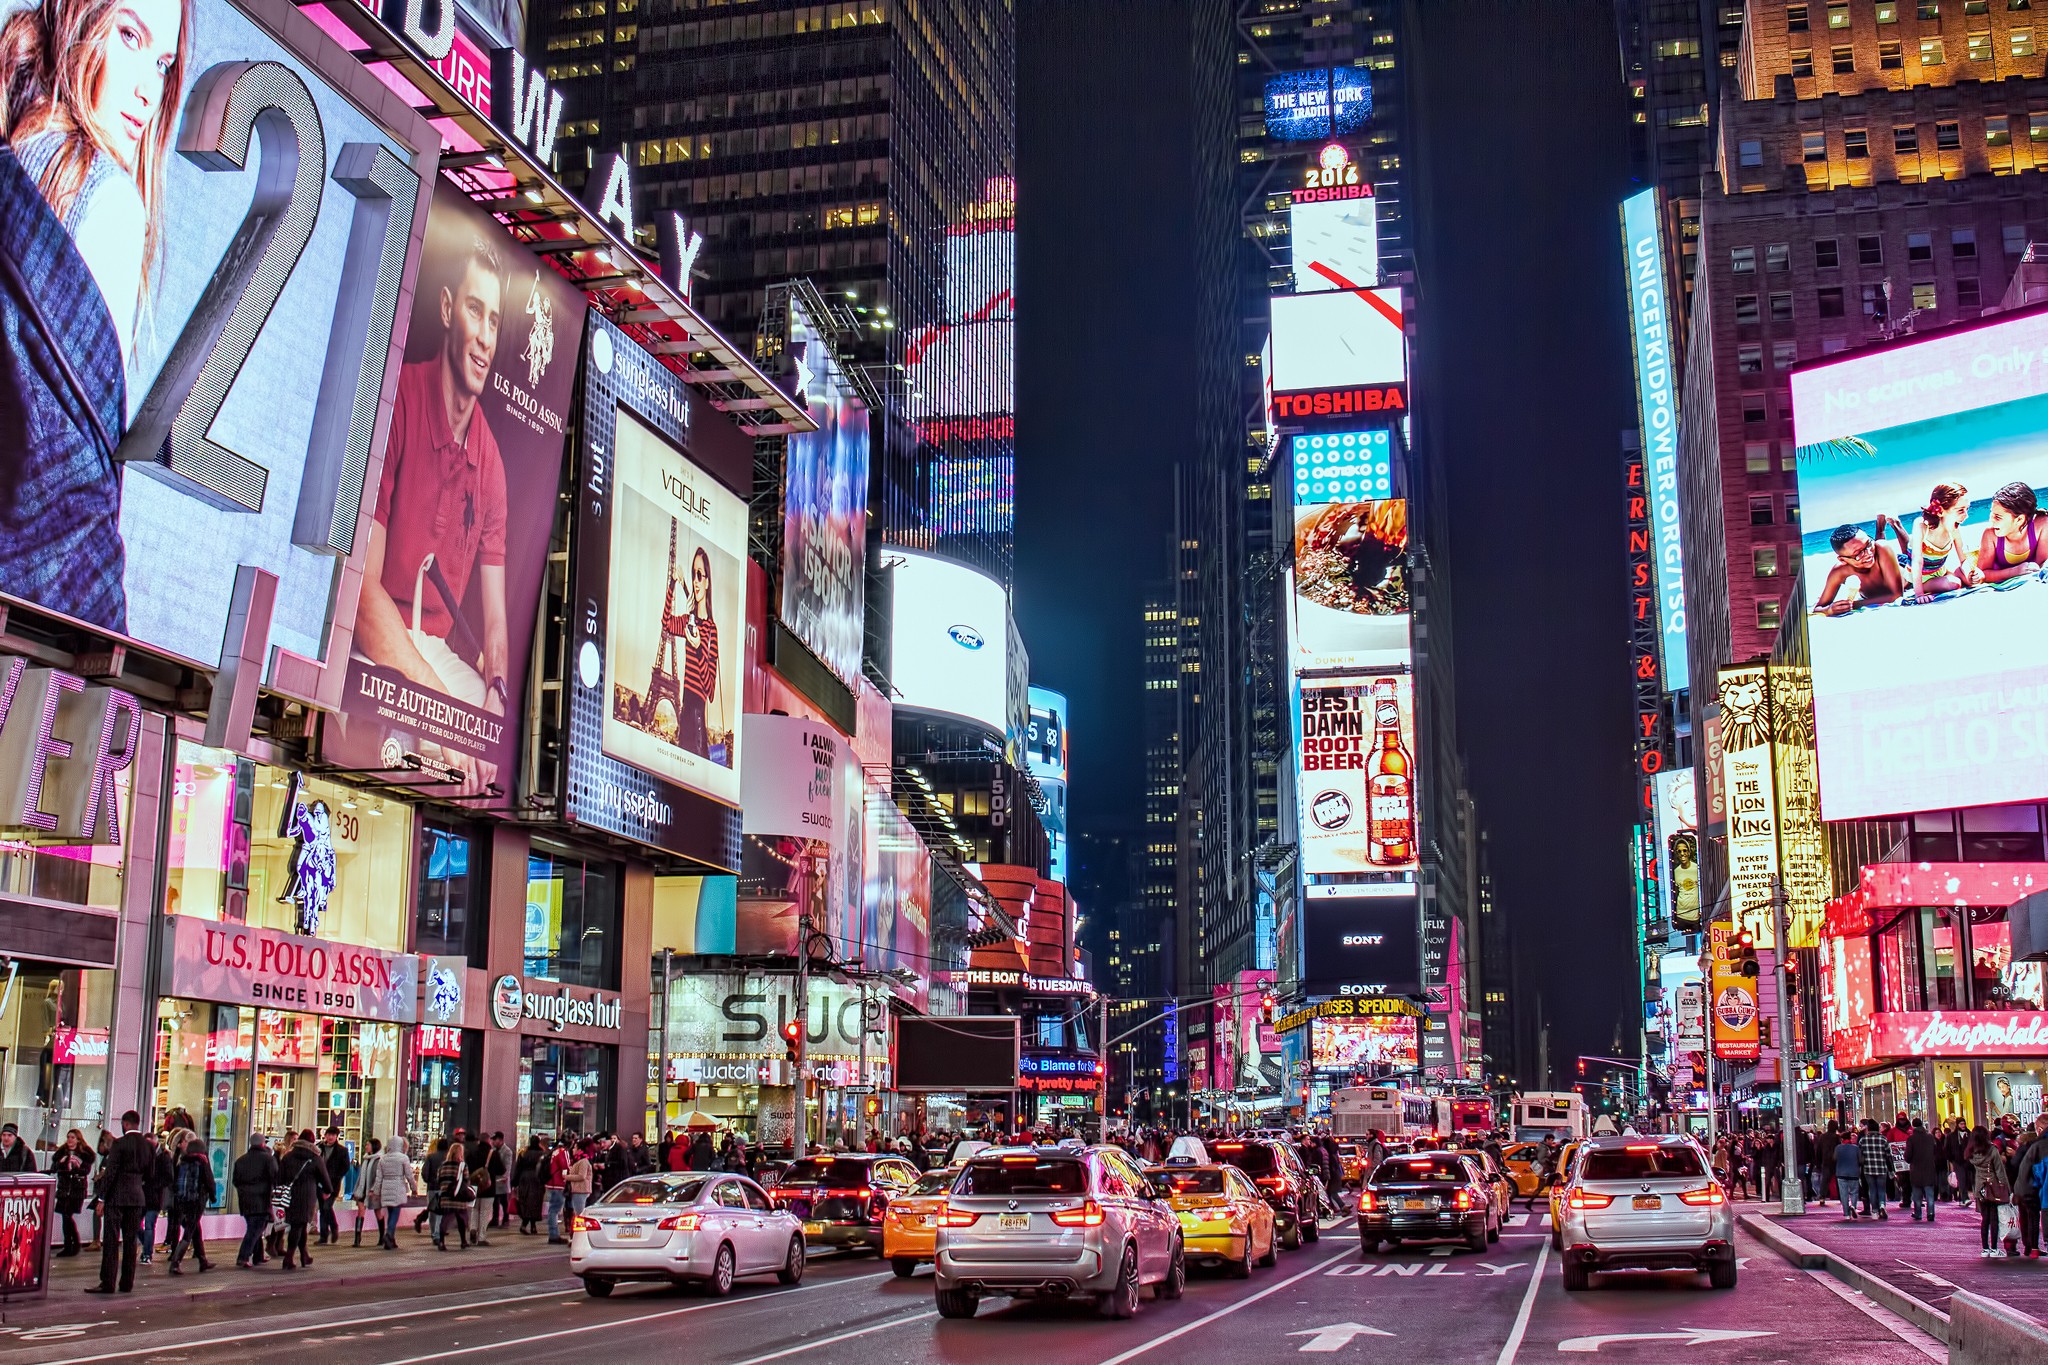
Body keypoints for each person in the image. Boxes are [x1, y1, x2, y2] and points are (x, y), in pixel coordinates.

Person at [0, 0, 189, 633]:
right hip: (33, 618)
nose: (149, 90)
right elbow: (69, 482)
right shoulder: (107, 198)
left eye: (162, 63)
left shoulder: (10, 163)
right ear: (79, 23)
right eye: (128, 36)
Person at [352, 233, 515, 790]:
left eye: (495, 321)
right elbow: (360, 595)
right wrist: (439, 705)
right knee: (438, 729)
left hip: (434, 649)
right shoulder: (399, 398)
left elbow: (495, 627)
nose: (485, 337)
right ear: (448, 310)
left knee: (490, 756)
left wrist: (493, 695)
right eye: (475, 310)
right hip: (375, 631)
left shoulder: (491, 463)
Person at [87, 1109, 147, 1294]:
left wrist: (102, 1198)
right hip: (137, 1197)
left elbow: (111, 1173)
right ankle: (127, 1282)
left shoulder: (119, 1144)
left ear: (125, 1124)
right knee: (131, 1241)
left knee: (112, 1240)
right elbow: (151, 1174)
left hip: (117, 1197)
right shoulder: (147, 1145)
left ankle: (108, 1282)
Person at [672, 547, 721, 757]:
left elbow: (710, 691)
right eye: (693, 574)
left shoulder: (711, 631)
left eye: (700, 575)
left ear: (708, 582)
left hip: (697, 723)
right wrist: (673, 584)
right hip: (684, 720)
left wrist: (699, 647)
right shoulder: (688, 622)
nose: (695, 580)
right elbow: (666, 623)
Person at [1895, 484, 1978, 599]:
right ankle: (1894, 524)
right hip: (1919, 575)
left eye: (1967, 509)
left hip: (1939, 571)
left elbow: (1963, 559)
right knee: (1955, 584)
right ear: (1940, 511)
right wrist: (1919, 594)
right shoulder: (1922, 526)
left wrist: (1971, 574)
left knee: (1975, 577)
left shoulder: (1954, 530)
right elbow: (1917, 561)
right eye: (1960, 510)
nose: (1966, 515)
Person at [1814, 521, 1907, 615]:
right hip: (1882, 560)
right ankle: (1880, 526)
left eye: (1869, 543)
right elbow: (1818, 608)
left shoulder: (1881, 548)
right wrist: (1829, 609)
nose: (1868, 553)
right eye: (1858, 553)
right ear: (1843, 560)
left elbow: (1896, 595)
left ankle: (1893, 524)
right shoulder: (1840, 571)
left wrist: (1854, 605)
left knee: (1907, 553)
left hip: (1904, 565)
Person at [275, 1128, 330, 1270]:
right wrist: (328, 1190)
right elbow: (324, 1178)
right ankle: (289, 1258)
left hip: (290, 1196)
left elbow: (279, 1177)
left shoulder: (288, 1156)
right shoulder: (315, 1158)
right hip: (307, 1196)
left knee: (299, 1225)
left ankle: (304, 1255)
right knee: (298, 1226)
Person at [1976, 481, 2048, 584]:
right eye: (1991, 514)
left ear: (2019, 520)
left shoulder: (2042, 524)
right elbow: (1983, 574)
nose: (1991, 521)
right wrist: (2015, 571)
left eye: (1997, 517)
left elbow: (2040, 565)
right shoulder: (1990, 535)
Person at [165, 1136, 213, 1274]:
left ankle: (203, 1260)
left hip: (182, 1200)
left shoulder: (182, 1162)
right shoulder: (202, 1162)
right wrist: (213, 1194)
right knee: (190, 1231)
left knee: (195, 1229)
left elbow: (176, 1182)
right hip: (196, 1200)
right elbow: (209, 1180)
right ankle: (175, 1262)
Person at [231, 1134, 279, 1269]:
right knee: (256, 1229)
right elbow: (275, 1177)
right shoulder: (268, 1159)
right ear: (263, 1144)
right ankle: (243, 1256)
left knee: (254, 1227)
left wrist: (244, 1190)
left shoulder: (241, 1161)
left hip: (245, 1199)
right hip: (262, 1199)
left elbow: (236, 1181)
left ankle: (259, 1256)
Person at [1969, 1126, 2014, 1258]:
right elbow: (2000, 1170)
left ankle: (1985, 1249)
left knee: (1984, 1219)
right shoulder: (1992, 1150)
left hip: (1980, 1187)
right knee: (1994, 1218)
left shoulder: (1972, 1151)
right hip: (1992, 1186)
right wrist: (2006, 1188)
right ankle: (1994, 1248)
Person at [51, 1127, 93, 1256]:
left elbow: (85, 1171)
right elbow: (55, 1168)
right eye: (68, 1137)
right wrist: (61, 1164)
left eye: (72, 1137)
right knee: (65, 1217)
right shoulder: (61, 1153)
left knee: (68, 1216)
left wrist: (76, 1166)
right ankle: (71, 1244)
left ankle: (72, 1244)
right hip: (64, 1189)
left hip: (76, 1190)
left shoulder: (85, 1154)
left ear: (78, 1140)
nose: (69, 1140)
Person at [2012, 1114, 2048, 1259]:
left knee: (2027, 1217)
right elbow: (2039, 1170)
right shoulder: (2039, 1145)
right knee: (2032, 1217)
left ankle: (2030, 1247)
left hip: (2025, 1186)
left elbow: (2017, 1164)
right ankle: (2032, 1247)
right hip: (2031, 1187)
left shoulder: (2033, 1145)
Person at [372, 1135, 415, 1251]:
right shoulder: (403, 1158)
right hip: (398, 1187)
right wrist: (413, 1187)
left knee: (391, 1213)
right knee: (395, 1214)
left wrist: (376, 1192)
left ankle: (391, 1240)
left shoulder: (383, 1159)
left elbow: (378, 1178)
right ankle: (389, 1234)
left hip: (386, 1187)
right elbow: (409, 1175)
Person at [138, 1129, 171, 1263]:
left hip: (154, 1196)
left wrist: (154, 1184)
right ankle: (147, 1245)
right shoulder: (142, 1156)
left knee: (149, 1225)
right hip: (141, 1196)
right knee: (135, 1224)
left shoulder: (164, 1157)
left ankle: (147, 1253)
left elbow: (168, 1177)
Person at [436, 1139, 474, 1250]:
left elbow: (439, 1180)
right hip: (459, 1197)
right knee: (461, 1219)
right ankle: (463, 1241)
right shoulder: (462, 1166)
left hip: (446, 1197)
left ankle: (441, 1242)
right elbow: (466, 1180)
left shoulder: (443, 1166)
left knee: (445, 1219)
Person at [317, 1126, 350, 1245]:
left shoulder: (342, 1151)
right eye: (328, 1135)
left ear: (336, 1137)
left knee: (326, 1207)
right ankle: (323, 1236)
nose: (330, 1137)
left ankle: (334, 1227)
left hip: (333, 1184)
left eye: (333, 1135)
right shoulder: (319, 1148)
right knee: (323, 1209)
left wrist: (336, 1177)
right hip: (320, 1183)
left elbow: (345, 1167)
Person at [1857, 1118, 1894, 1220]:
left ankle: (1874, 1211)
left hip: (1868, 1169)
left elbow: (1860, 1156)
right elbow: (1888, 1156)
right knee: (1881, 1189)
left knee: (1872, 1190)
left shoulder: (1863, 1140)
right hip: (1881, 1168)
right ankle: (1882, 1205)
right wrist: (1891, 1170)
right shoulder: (1883, 1139)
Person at [1905, 1118, 1941, 1222]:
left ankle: (1918, 1213)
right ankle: (1930, 1213)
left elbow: (1908, 1156)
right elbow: (1935, 1152)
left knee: (1917, 1194)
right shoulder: (1930, 1138)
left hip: (1916, 1169)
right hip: (1929, 1168)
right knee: (1929, 1193)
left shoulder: (1911, 1139)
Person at [513, 1134, 546, 1235]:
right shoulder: (542, 1154)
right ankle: (533, 1226)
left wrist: (514, 1182)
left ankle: (525, 1224)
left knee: (525, 1201)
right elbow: (545, 1168)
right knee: (536, 1203)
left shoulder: (523, 1153)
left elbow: (518, 1168)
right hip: (537, 1179)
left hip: (524, 1179)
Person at [545, 1134, 572, 1243]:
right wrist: (567, 1179)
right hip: (558, 1183)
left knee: (552, 1209)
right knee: (554, 1210)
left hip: (550, 1183)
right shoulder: (563, 1152)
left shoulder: (554, 1151)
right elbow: (565, 1167)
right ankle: (554, 1235)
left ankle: (553, 1233)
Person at [1833, 1125, 1865, 1218]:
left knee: (1844, 1193)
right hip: (1854, 1173)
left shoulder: (1838, 1148)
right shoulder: (1855, 1148)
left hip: (1841, 1173)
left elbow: (1834, 1158)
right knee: (1854, 1192)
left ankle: (1846, 1213)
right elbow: (1861, 1161)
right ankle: (1853, 1206)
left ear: (1842, 1139)